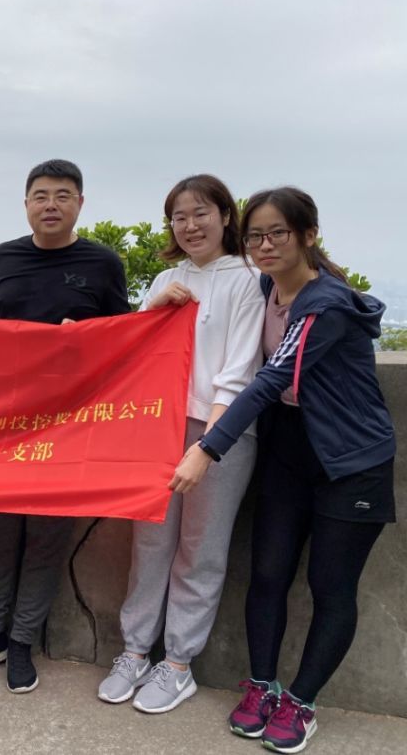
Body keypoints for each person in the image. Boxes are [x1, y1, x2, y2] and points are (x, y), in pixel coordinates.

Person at [169, 187, 396, 753]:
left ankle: (302, 700)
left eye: (278, 234)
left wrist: (206, 449)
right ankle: (262, 685)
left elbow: (273, 378)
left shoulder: (327, 303)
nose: (265, 246)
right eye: (255, 236)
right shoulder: (265, 288)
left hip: (351, 459)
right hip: (289, 451)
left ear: (308, 236)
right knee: (267, 573)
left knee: (330, 586)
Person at [0, 159, 129, 693]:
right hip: (3, 423)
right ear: (26, 203)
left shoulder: (103, 263)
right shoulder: (3, 258)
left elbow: (125, 342)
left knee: (47, 539)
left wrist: (88, 336)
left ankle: (21, 642)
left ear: (80, 203)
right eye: (41, 195)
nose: (51, 204)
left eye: (62, 195)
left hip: (69, 427)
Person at [96, 175, 264, 713]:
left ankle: (178, 663)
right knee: (149, 543)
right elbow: (138, 354)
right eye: (179, 217)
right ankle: (134, 650)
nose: (190, 226)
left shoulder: (249, 278)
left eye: (201, 213)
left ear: (225, 216)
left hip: (222, 430)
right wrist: (153, 309)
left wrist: (207, 445)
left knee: (201, 549)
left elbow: (239, 372)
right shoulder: (168, 278)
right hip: (158, 426)